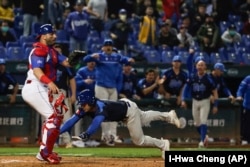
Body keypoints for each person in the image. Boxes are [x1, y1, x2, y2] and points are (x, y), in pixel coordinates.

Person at [72, 89, 182, 160]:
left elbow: (96, 123)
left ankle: (163, 144)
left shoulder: (99, 109)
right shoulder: (94, 105)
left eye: (83, 104)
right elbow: (71, 121)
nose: (81, 107)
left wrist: (87, 133)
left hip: (128, 112)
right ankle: (168, 116)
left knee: (139, 140)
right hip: (126, 104)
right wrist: (57, 132)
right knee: (144, 117)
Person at [21, 24, 72, 164]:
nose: (54, 36)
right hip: (35, 86)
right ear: (43, 36)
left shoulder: (52, 51)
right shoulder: (39, 50)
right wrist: (50, 83)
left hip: (42, 87)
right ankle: (45, 153)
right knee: (53, 118)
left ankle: (45, 152)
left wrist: (76, 58)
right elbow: (37, 71)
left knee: (56, 119)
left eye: (54, 33)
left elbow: (67, 63)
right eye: (51, 34)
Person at [83, 39, 135, 145]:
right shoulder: (100, 56)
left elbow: (127, 60)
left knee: (114, 112)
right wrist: (93, 56)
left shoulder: (116, 56)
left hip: (112, 87)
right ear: (102, 47)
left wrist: (130, 59)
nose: (108, 47)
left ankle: (113, 135)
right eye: (106, 45)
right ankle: (105, 135)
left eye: (110, 45)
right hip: (101, 86)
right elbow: (85, 59)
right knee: (103, 112)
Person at [181, 59, 219, 148]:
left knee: (203, 121)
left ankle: (201, 141)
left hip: (205, 101)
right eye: (199, 65)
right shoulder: (192, 77)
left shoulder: (208, 78)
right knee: (196, 123)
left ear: (205, 67)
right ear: (196, 66)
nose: (200, 67)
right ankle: (205, 136)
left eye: (202, 65)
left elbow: (215, 92)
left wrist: (216, 105)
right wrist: (183, 99)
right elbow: (186, 88)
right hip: (195, 101)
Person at [54, 44, 77, 148]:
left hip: (63, 93)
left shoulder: (66, 65)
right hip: (50, 93)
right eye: (55, 51)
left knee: (66, 119)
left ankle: (67, 141)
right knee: (52, 118)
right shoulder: (48, 64)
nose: (57, 53)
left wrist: (73, 95)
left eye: (59, 51)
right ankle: (53, 142)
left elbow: (72, 80)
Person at [236, 75, 250, 145]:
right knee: (247, 123)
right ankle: (245, 139)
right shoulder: (248, 78)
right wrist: (239, 95)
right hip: (248, 105)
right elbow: (241, 89)